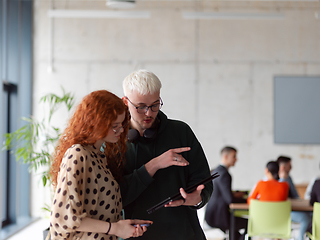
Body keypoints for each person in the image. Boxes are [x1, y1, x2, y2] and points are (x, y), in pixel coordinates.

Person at [119, 69, 213, 240]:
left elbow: (203, 181)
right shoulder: (114, 140)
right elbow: (113, 195)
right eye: (141, 107)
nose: (149, 113)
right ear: (125, 102)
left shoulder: (180, 132)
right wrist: (153, 165)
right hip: (135, 235)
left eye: (155, 105)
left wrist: (196, 198)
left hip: (183, 234)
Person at [49, 90, 152, 240]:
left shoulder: (98, 156)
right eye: (114, 126)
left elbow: (98, 214)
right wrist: (115, 228)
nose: (121, 130)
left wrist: (123, 226)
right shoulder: (78, 154)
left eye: (122, 124)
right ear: (96, 124)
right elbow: (63, 218)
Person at [205, 146, 247, 240]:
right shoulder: (224, 174)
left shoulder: (215, 171)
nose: (236, 159)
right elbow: (229, 199)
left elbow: (222, 194)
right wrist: (246, 200)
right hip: (219, 217)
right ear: (225, 156)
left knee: (236, 228)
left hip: (212, 215)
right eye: (234, 156)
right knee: (248, 223)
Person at [277, 156, 312, 240]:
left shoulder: (288, 178)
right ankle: (300, 238)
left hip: (294, 207)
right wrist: (282, 179)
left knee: (312, 215)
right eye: (290, 165)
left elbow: (295, 195)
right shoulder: (278, 180)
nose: (291, 168)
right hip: (282, 211)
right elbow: (279, 196)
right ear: (283, 167)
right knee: (306, 218)